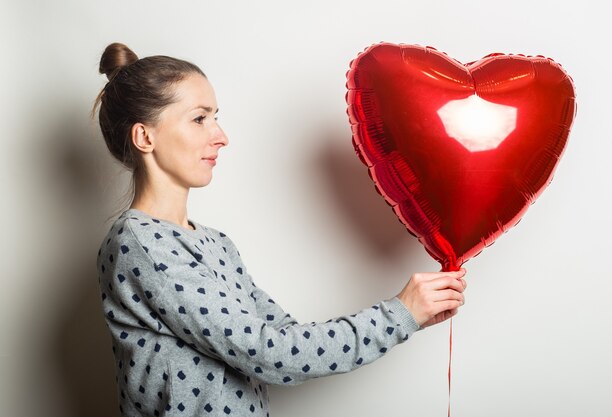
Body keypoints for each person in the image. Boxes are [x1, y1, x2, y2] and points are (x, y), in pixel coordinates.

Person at [92, 42, 467, 417]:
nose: (221, 136)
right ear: (145, 137)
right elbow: (269, 354)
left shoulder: (216, 244)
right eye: (199, 118)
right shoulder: (139, 244)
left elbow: (288, 340)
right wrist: (398, 314)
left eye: (216, 117)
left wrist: (409, 315)